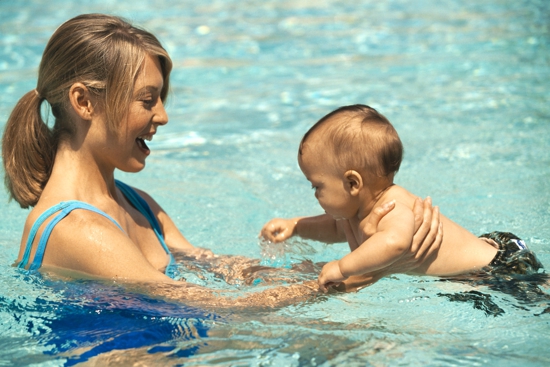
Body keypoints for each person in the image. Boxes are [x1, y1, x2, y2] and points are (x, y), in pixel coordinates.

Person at [2, 14, 440, 306]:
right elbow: (214, 306)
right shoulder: (77, 229)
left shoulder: (139, 205)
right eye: (147, 100)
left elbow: (227, 272)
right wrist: (360, 275)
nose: (163, 116)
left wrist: (369, 243)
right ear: (83, 102)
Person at [261, 104, 543, 292]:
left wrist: (343, 266)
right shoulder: (354, 212)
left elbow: (394, 242)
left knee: (539, 299)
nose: (315, 194)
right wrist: (296, 226)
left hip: (499, 267)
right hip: (477, 266)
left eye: (316, 186)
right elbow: (333, 227)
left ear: (352, 182)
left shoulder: (392, 206)